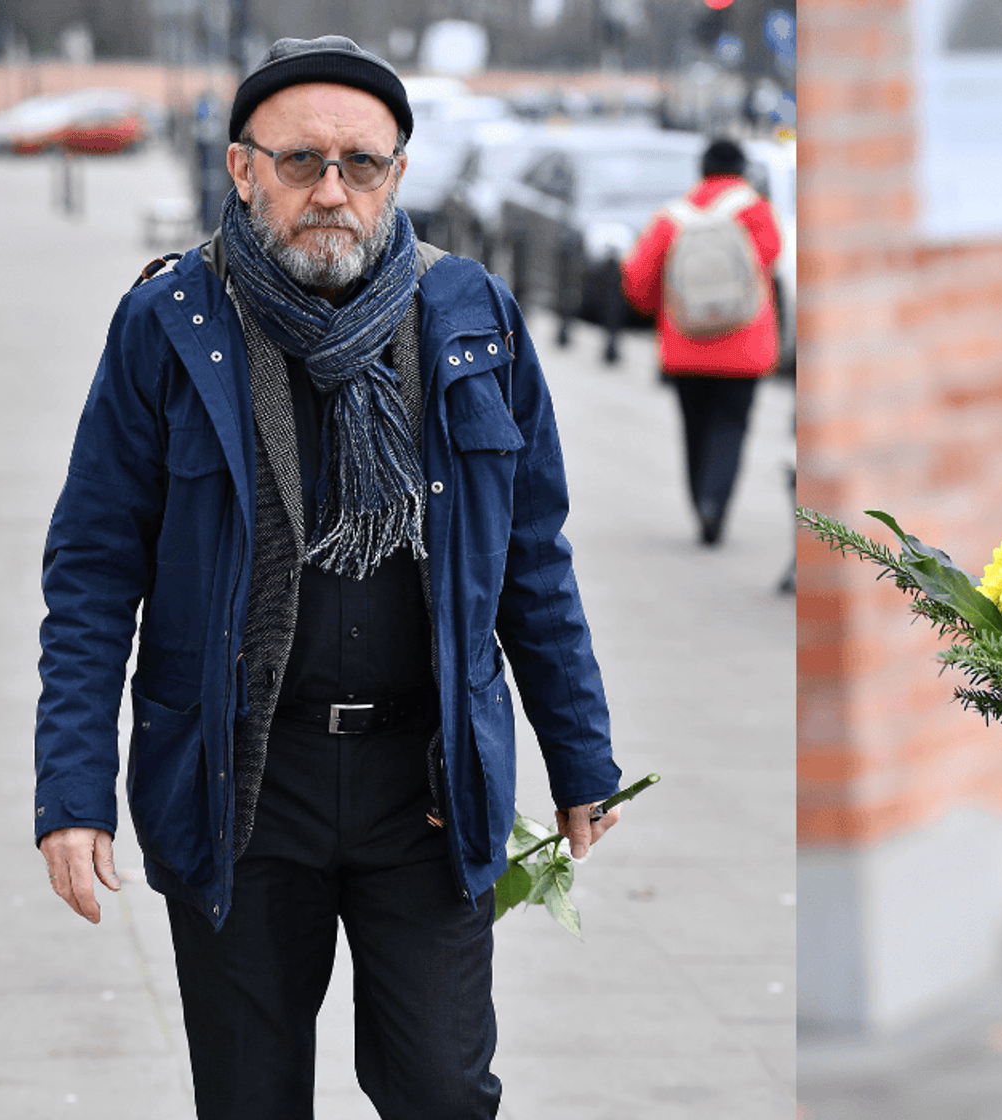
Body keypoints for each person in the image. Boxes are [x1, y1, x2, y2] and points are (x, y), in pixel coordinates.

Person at [33, 36, 623, 1118]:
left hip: (429, 787)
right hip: (241, 785)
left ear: (399, 174)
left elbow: (532, 557)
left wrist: (581, 751)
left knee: (444, 1090)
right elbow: (93, 568)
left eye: (362, 163)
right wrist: (73, 791)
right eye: (302, 162)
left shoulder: (472, 318)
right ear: (243, 168)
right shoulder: (171, 325)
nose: (332, 191)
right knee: (251, 1097)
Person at [621, 137, 781, 546]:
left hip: (685, 346)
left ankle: (699, 504)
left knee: (694, 429)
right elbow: (769, 258)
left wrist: (661, 311)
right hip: (744, 347)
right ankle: (715, 503)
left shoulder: (672, 216)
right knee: (731, 428)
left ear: (701, 170)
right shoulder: (757, 212)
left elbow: (638, 279)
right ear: (742, 169)